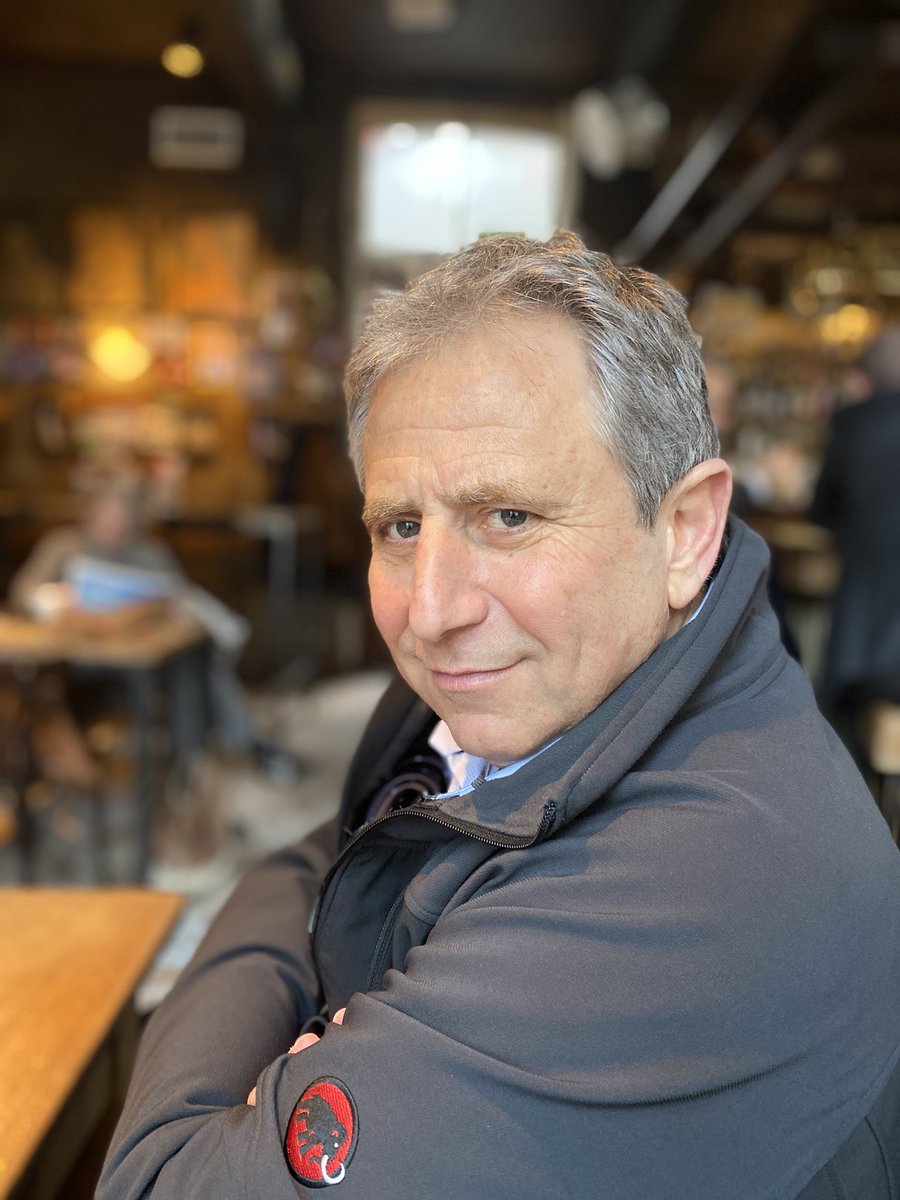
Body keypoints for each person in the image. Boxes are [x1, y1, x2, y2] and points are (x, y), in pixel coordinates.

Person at [98, 233, 900, 1199]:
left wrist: (291, 983)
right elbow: (338, 848)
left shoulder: (706, 876)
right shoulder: (538, 688)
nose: (431, 609)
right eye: (401, 526)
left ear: (686, 531)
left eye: (508, 518)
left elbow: (159, 1183)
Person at [9, 473, 297, 775]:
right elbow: (23, 590)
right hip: (77, 657)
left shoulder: (150, 553)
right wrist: (51, 598)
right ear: (90, 512)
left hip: (140, 656)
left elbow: (177, 600)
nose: (113, 530)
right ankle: (227, 747)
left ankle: (197, 758)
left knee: (198, 659)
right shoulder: (64, 545)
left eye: (121, 523)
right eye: (106, 520)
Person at [810, 325, 900, 746]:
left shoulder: (852, 427)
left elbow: (821, 514)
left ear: (865, 378)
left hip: (862, 641)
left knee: (849, 742)